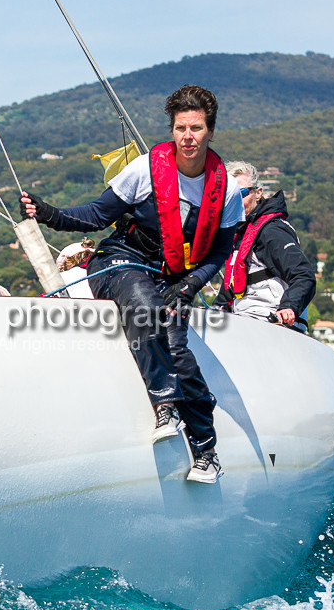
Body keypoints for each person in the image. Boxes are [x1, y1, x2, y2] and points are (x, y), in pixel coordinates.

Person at [20, 85, 244, 483]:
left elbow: (219, 254)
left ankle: (206, 452)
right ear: (172, 130)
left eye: (195, 128)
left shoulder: (226, 190)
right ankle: (165, 405)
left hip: (175, 277)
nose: (187, 137)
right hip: (123, 260)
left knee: (178, 346)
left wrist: (190, 285)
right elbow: (96, 214)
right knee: (144, 305)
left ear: (210, 131)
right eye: (180, 128)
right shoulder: (145, 168)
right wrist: (50, 214)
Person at [218, 163, 316, 329]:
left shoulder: (272, 231)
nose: (235, 201)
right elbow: (230, 289)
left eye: (241, 193)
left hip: (272, 325)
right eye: (229, 195)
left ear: (258, 193)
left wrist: (289, 306)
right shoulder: (238, 236)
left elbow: (304, 275)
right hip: (243, 322)